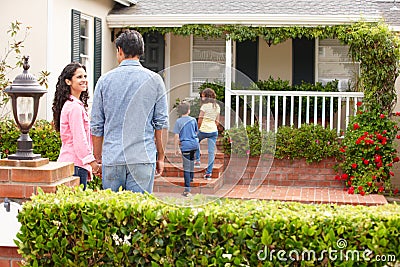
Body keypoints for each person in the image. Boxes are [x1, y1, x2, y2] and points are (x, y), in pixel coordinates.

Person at [90, 29, 169, 193]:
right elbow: (161, 124)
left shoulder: (104, 80)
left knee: (112, 214)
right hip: (142, 156)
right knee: (139, 213)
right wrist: (161, 156)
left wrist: (98, 159)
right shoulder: (155, 80)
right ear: (141, 51)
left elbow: (97, 126)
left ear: (119, 51)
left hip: (113, 157)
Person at [52, 62, 101, 190]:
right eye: (79, 77)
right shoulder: (74, 107)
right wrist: (93, 163)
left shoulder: (72, 105)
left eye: (85, 76)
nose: (84, 80)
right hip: (75, 165)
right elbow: (79, 140)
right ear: (68, 81)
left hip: (71, 164)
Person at [173, 102, 199, 197]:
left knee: (186, 167)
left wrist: (176, 148)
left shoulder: (178, 121)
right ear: (188, 110)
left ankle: (187, 190)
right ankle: (191, 178)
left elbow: (176, 136)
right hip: (194, 145)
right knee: (191, 162)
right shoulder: (193, 120)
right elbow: (196, 131)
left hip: (186, 146)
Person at [195, 88, 220, 180]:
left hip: (203, 129)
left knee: (195, 141)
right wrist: (214, 127)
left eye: (203, 96)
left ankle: (197, 160)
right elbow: (217, 121)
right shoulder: (217, 106)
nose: (202, 98)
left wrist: (197, 129)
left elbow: (200, 119)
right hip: (213, 131)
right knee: (211, 153)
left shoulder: (204, 107)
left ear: (207, 96)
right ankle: (209, 174)